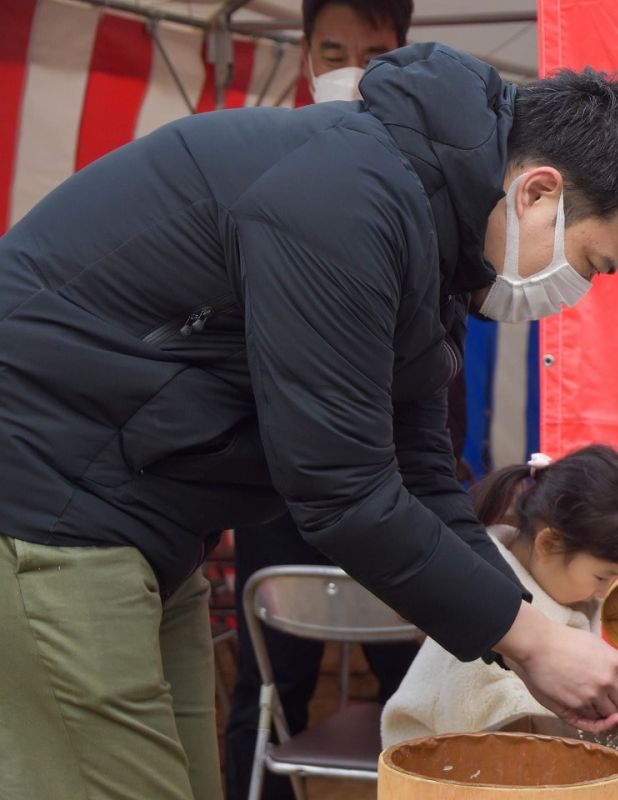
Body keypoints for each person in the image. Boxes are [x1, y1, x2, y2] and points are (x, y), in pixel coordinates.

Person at [0, 41, 618, 800]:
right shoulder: (346, 198)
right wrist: (532, 641)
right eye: (591, 263)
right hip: (50, 503)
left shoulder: (434, 242)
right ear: (537, 193)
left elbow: (422, 474)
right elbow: (343, 491)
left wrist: (541, 640)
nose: (577, 291)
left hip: (143, 522)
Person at [221, 3, 418, 798]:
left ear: (404, 54)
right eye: (332, 52)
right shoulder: (260, 161)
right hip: (278, 495)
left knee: (425, 690)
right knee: (268, 692)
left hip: (390, 486)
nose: (350, 71)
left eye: (372, 54)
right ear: (303, 54)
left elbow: (434, 384)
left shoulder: (419, 176)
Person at [381, 445, 618, 745]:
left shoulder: (566, 591)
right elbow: (495, 729)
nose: (608, 591)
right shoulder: (482, 605)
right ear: (549, 544)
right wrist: (609, 696)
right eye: (603, 577)